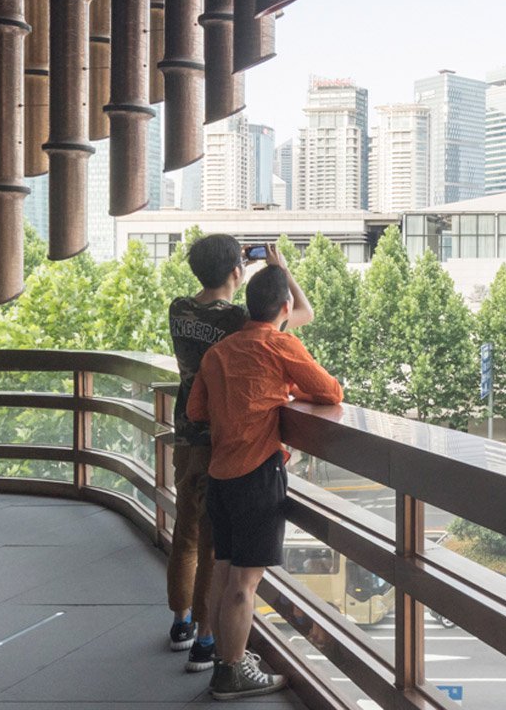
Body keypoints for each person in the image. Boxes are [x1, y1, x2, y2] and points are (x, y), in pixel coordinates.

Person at [188, 263, 341, 700]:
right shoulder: (280, 345)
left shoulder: (218, 353)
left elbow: (197, 411)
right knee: (245, 584)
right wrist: (288, 391)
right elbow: (330, 391)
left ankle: (225, 658)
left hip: (220, 475)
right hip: (257, 474)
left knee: (222, 571)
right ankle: (231, 673)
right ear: (285, 306)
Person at [166, 235, 294, 671]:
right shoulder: (238, 320)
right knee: (213, 543)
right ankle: (206, 639)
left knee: (185, 528)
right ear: (237, 273)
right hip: (221, 438)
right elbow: (291, 318)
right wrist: (278, 272)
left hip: (184, 430)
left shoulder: (178, 308)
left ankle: (180, 622)